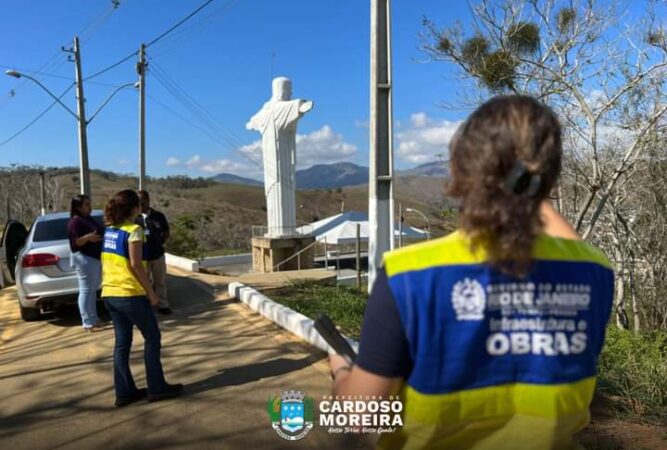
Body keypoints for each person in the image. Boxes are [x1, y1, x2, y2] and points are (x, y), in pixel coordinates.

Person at [329, 95, 614, 449]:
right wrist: (530, 185)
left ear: (460, 169)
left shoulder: (408, 275)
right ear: (550, 177)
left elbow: (359, 419)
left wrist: (342, 371)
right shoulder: (595, 272)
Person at [101, 189, 182, 407]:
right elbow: (136, 265)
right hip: (130, 294)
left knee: (122, 344)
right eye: (139, 205)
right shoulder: (134, 230)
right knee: (152, 338)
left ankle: (125, 392)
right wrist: (152, 293)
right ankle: (156, 388)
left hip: (110, 294)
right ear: (135, 208)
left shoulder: (110, 230)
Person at [67, 194, 104, 331]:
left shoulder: (87, 219)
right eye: (86, 205)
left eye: (90, 204)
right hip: (84, 258)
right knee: (86, 290)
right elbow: (75, 242)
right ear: (78, 207)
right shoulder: (75, 221)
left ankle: (94, 318)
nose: (90, 207)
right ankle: (87, 321)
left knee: (92, 290)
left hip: (94, 258)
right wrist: (88, 237)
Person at [136, 190, 172, 315]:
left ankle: (163, 305)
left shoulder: (158, 216)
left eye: (143, 201)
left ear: (148, 200)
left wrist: (160, 243)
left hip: (157, 255)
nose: (141, 205)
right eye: (138, 202)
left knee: (160, 281)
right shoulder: (135, 218)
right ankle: (148, 305)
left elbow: (166, 232)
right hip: (142, 257)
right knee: (145, 282)